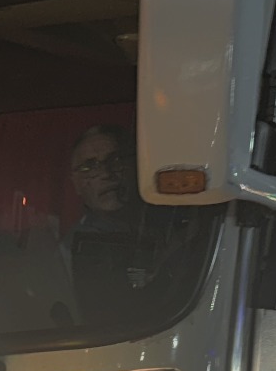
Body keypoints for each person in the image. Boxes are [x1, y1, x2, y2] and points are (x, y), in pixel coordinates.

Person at [64, 123, 205, 327]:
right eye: (89, 167)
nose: (106, 173)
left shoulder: (169, 223)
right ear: (76, 183)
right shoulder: (76, 248)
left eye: (116, 160)